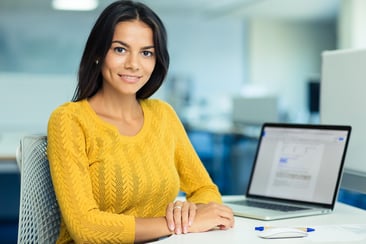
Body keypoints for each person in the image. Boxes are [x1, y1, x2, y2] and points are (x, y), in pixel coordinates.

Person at [47, 0, 234, 243]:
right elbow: (87, 228)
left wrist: (190, 212)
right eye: (120, 49)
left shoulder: (163, 115)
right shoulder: (69, 120)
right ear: (97, 54)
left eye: (146, 53)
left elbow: (205, 189)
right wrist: (178, 224)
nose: (134, 64)